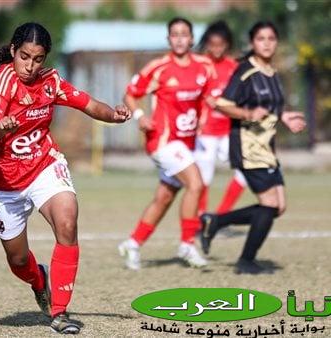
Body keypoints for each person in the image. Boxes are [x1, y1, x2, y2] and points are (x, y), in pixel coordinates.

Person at [0, 22, 130, 334]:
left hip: (44, 164)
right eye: (24, 57)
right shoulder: (1, 84)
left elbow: (86, 102)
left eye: (37, 59)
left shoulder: (50, 80)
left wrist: (112, 115)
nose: (30, 66)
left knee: (67, 221)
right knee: (18, 260)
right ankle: (39, 280)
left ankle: (58, 312)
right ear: (13, 51)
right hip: (5, 180)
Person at [200, 21, 306, 274]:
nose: (267, 43)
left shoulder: (271, 71)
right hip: (247, 147)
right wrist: (247, 112)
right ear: (252, 43)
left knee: (278, 207)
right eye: (261, 39)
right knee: (269, 205)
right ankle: (246, 261)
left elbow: (271, 107)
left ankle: (216, 221)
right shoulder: (245, 71)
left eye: (271, 38)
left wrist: (285, 117)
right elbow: (222, 104)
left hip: (266, 148)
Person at [118, 17, 211, 270]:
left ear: (192, 39)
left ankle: (133, 244)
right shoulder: (159, 68)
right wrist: (139, 116)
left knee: (165, 197)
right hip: (163, 141)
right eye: (175, 34)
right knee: (196, 183)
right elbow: (130, 93)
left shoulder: (204, 67)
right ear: (169, 39)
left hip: (186, 144)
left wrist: (204, 119)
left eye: (184, 34)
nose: (180, 38)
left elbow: (207, 98)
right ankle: (187, 244)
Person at [195, 20, 247, 216]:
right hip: (205, 132)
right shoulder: (199, 65)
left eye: (221, 45)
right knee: (203, 178)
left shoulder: (234, 67)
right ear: (207, 44)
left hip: (228, 131)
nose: (217, 49)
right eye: (212, 44)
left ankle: (221, 215)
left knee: (245, 172)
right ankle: (201, 219)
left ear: (227, 44)